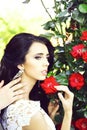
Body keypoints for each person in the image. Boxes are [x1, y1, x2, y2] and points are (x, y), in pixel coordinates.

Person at [0, 33, 74, 130]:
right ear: (20, 63)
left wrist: (48, 121)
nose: (46, 63)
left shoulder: (11, 103)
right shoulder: (29, 113)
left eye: (47, 57)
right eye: (38, 57)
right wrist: (68, 113)